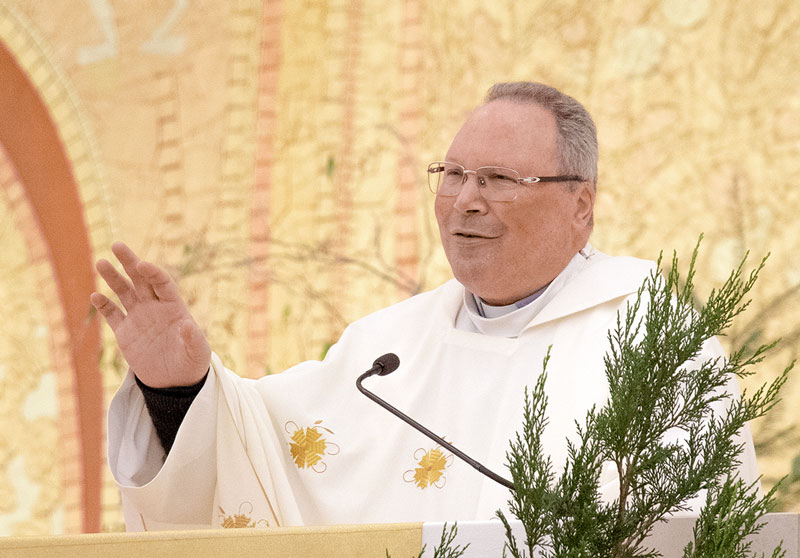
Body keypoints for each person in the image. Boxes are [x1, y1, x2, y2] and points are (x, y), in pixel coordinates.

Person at [93, 82, 758, 531]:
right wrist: (177, 389)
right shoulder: (384, 355)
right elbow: (256, 454)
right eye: (454, 175)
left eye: (498, 180)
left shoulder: (652, 341)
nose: (466, 201)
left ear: (579, 205)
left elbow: (696, 527)